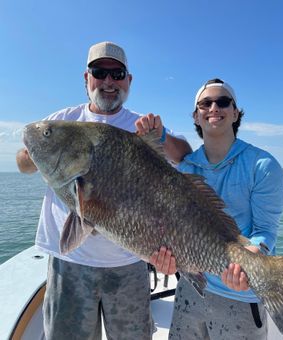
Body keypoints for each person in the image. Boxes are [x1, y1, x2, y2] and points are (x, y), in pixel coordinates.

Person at [16, 41, 192, 340]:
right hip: (69, 266)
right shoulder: (64, 120)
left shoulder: (141, 126)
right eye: (100, 72)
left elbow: (185, 157)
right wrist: (38, 153)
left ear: (129, 80)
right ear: (87, 79)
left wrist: (160, 135)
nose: (109, 82)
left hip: (128, 265)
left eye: (117, 73)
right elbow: (23, 160)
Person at [150, 78, 283, 339]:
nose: (214, 107)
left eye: (223, 102)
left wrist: (253, 254)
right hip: (191, 290)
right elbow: (175, 229)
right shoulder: (186, 168)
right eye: (206, 103)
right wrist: (163, 258)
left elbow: (265, 231)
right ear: (196, 115)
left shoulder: (263, 165)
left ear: (235, 112)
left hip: (241, 295)